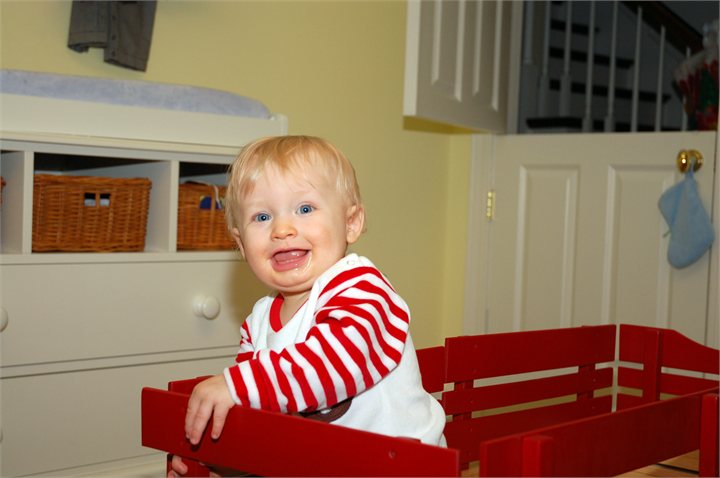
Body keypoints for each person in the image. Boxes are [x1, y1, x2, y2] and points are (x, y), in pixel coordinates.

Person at [170, 135, 446, 477]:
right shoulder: (258, 322)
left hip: (404, 467)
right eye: (261, 216)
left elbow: (332, 364)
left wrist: (236, 385)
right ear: (241, 243)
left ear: (351, 223)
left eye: (304, 209)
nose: (282, 229)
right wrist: (218, 467)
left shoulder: (362, 288)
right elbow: (259, 417)